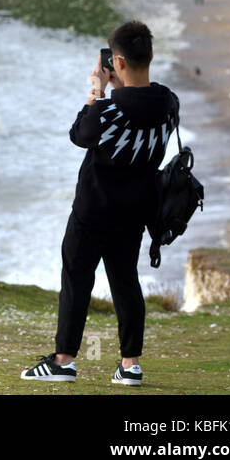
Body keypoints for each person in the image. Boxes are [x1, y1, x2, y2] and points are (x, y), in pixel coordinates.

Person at [21, 20, 180, 387]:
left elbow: (80, 134)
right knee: (126, 283)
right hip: (135, 213)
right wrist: (119, 87)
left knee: (77, 279)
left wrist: (96, 91)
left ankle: (63, 361)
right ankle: (130, 366)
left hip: (93, 212)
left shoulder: (107, 110)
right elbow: (141, 113)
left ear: (117, 63)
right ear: (151, 56)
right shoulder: (169, 103)